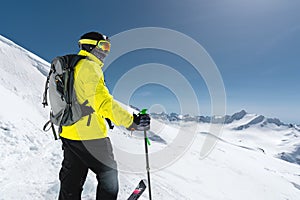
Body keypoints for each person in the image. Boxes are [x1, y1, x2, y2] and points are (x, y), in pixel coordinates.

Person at [58, 31, 150, 200]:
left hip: (68, 132)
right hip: (90, 136)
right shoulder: (89, 67)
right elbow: (103, 103)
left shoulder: (72, 66)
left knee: (72, 178)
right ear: (90, 46)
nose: (106, 51)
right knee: (108, 175)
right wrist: (132, 121)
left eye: (108, 47)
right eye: (103, 46)